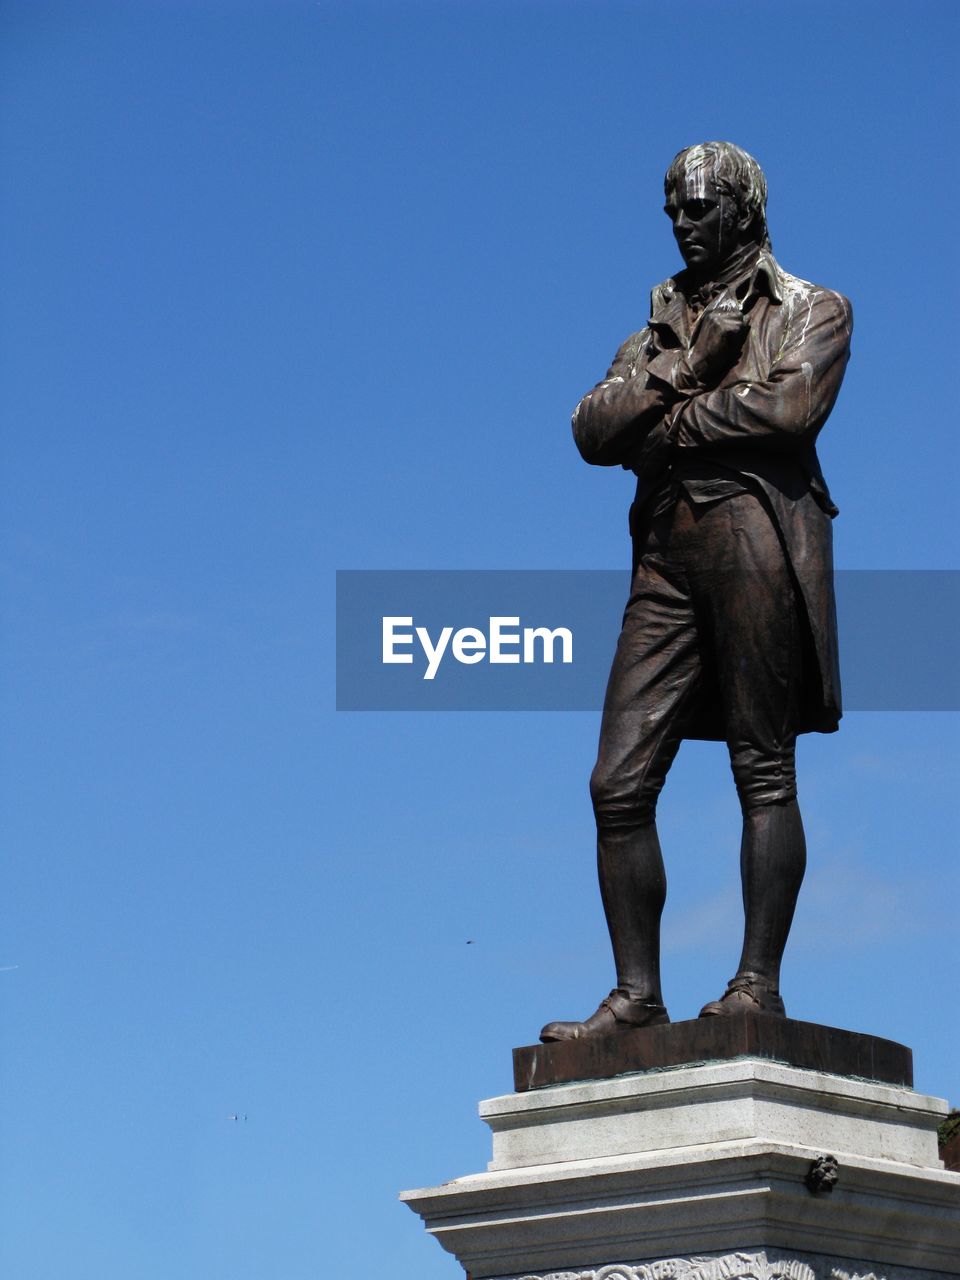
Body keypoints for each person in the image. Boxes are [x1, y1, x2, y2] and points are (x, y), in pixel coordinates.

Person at [540, 141, 852, 1042]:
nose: (683, 224)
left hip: (754, 535)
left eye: (701, 208)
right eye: (675, 209)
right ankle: (637, 993)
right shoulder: (654, 334)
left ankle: (757, 983)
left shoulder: (811, 309)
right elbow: (594, 430)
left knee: (762, 765)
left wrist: (665, 423)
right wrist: (684, 370)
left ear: (746, 211)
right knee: (617, 783)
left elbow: (788, 410)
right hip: (665, 558)